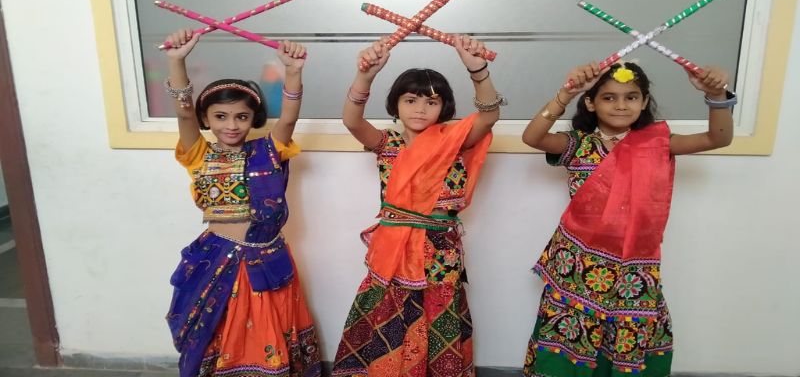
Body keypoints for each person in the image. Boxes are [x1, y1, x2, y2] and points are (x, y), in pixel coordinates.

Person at [520, 61, 735, 375]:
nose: (621, 105)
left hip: (633, 265)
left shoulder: (658, 144)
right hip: (579, 264)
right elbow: (532, 137)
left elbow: (718, 138)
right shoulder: (579, 144)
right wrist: (566, 93)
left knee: (627, 332)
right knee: (571, 333)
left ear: (644, 101)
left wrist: (716, 96)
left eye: (631, 97)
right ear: (591, 103)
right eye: (609, 97)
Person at [332, 35, 503, 376]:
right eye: (410, 100)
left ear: (444, 108)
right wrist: (365, 75)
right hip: (394, 247)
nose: (420, 109)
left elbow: (489, 116)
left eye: (431, 102)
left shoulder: (453, 142)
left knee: (438, 309)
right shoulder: (386, 144)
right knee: (390, 309)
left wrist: (478, 70)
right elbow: (352, 121)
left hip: (440, 248)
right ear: (396, 104)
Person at [161, 28, 321, 377]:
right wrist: (177, 61)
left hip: (266, 258)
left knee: (267, 331)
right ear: (206, 119)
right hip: (218, 259)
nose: (231, 125)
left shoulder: (269, 150)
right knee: (220, 332)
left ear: (253, 119)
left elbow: (289, 118)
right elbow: (184, 114)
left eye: (241, 117)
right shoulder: (198, 154)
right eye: (221, 116)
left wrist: (292, 71)